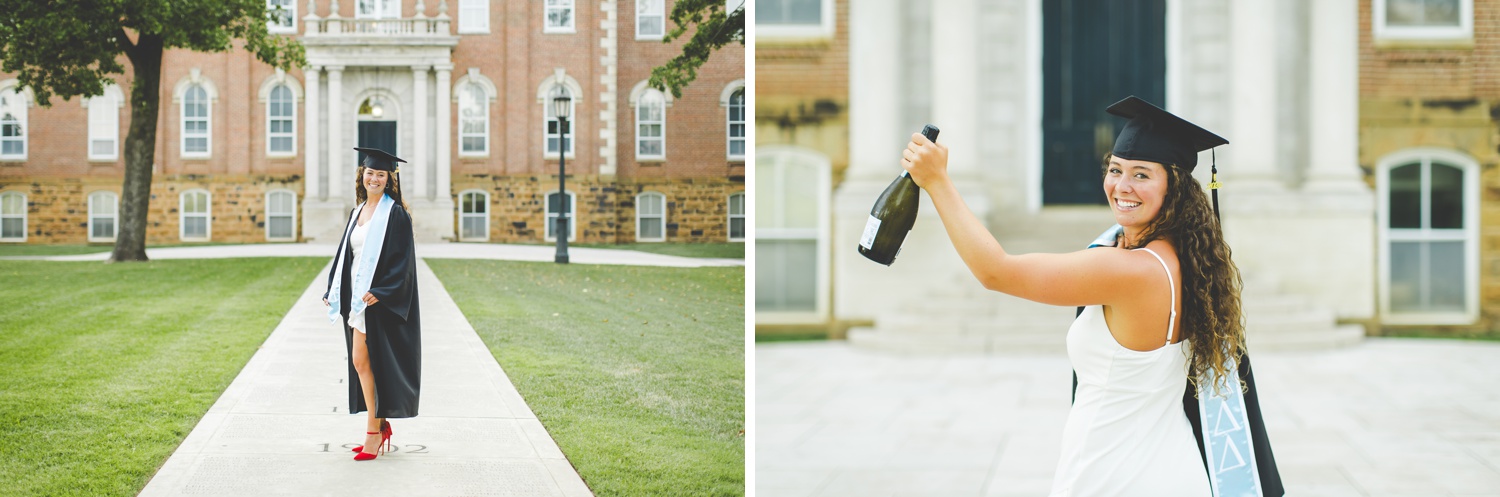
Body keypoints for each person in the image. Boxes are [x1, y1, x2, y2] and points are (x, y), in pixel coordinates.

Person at [901, 96, 1274, 496]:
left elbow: (996, 271)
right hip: (1168, 465)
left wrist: (937, 182)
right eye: (1115, 169)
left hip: (1116, 476)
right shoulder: (1186, 260)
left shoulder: (1130, 271)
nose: (1121, 186)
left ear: (1175, 187)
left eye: (1142, 175)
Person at [322, 147, 422, 462]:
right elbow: (344, 255)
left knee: (364, 362)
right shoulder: (358, 211)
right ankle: (379, 424)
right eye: (370, 173)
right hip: (355, 298)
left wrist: (384, 289)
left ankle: (373, 433)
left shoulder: (396, 214)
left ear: (389, 179)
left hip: (375, 301)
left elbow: (403, 261)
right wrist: (332, 287)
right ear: (361, 175)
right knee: (364, 363)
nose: (374, 178)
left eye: (381, 174)